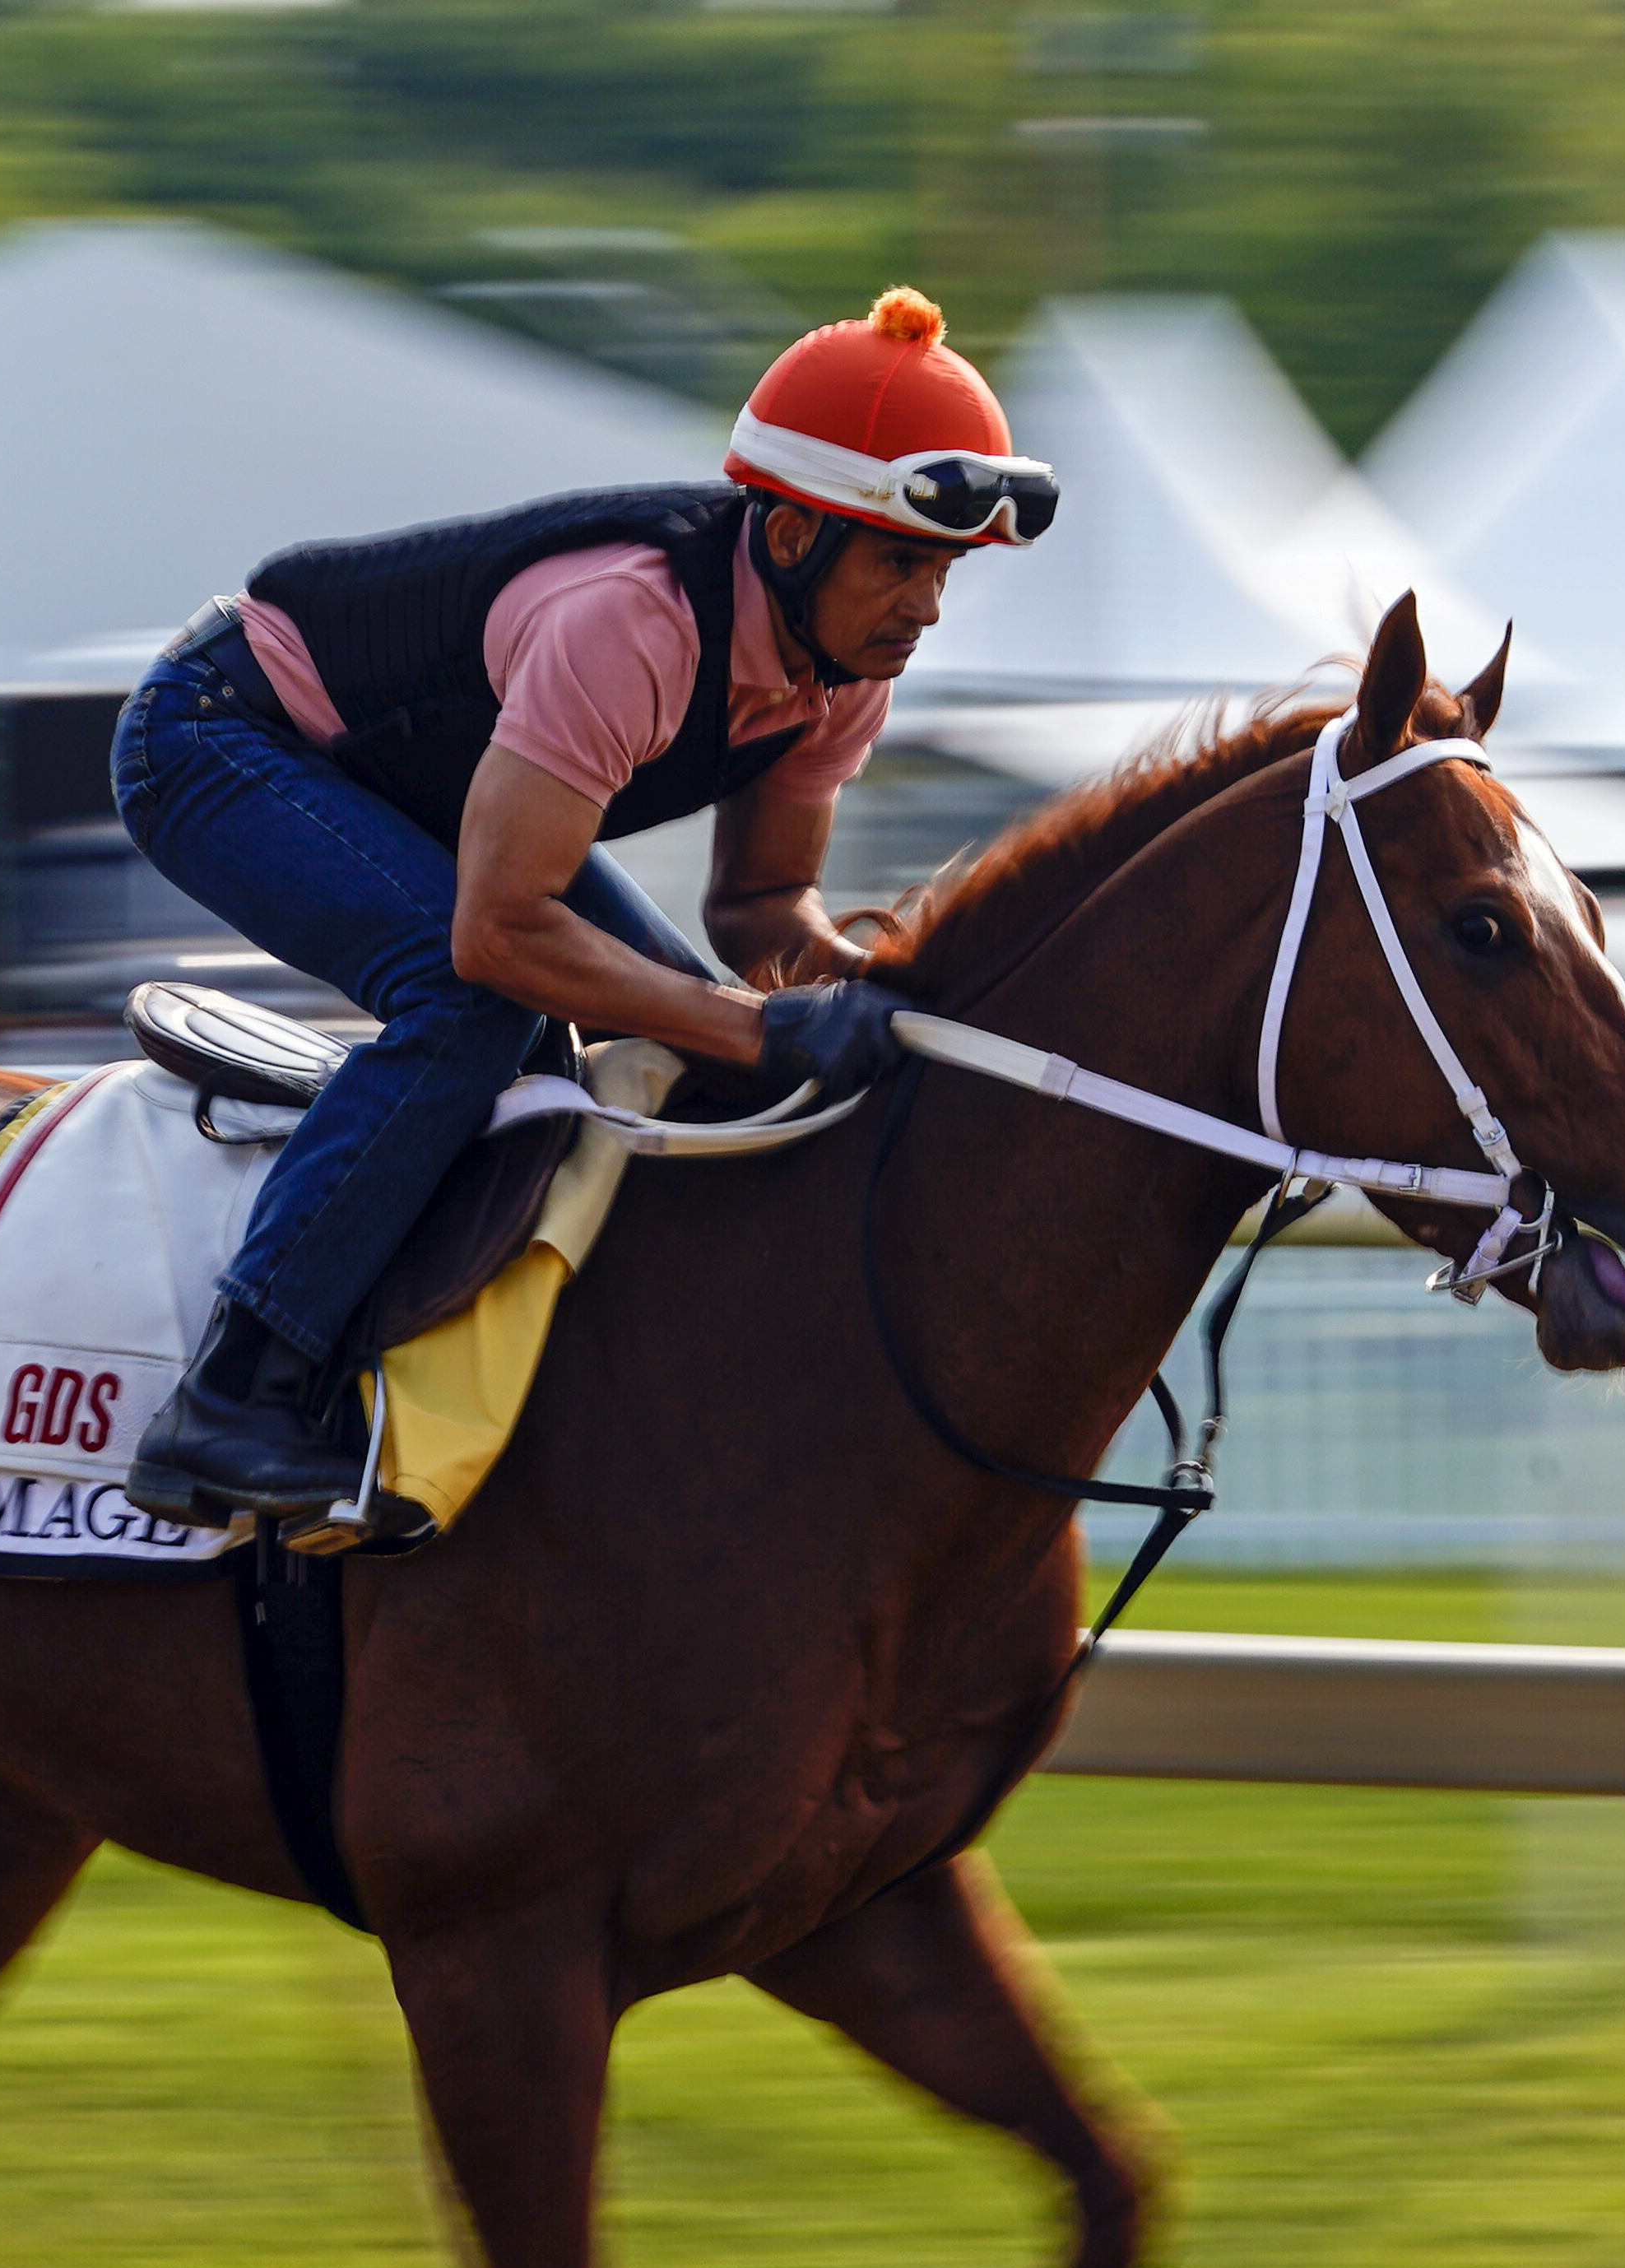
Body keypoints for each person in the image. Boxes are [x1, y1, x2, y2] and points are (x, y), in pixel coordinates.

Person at [109, 285, 1056, 1527]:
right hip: (219, 737)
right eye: (898, 563)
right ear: (786, 538)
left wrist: (862, 991)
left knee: (695, 1044)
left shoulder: (844, 669)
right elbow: (499, 934)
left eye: (941, 571)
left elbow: (761, 908)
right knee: (473, 1001)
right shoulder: (633, 620)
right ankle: (234, 1395)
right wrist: (754, 1026)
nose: (924, 609)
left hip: (417, 782)